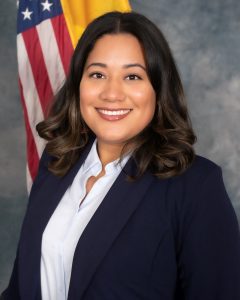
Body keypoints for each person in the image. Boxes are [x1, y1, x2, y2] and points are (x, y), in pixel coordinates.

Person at [1, 11, 240, 300]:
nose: (112, 93)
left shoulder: (195, 187)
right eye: (98, 74)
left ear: (157, 89)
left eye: (132, 76)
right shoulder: (56, 161)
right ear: (79, 85)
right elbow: (20, 287)